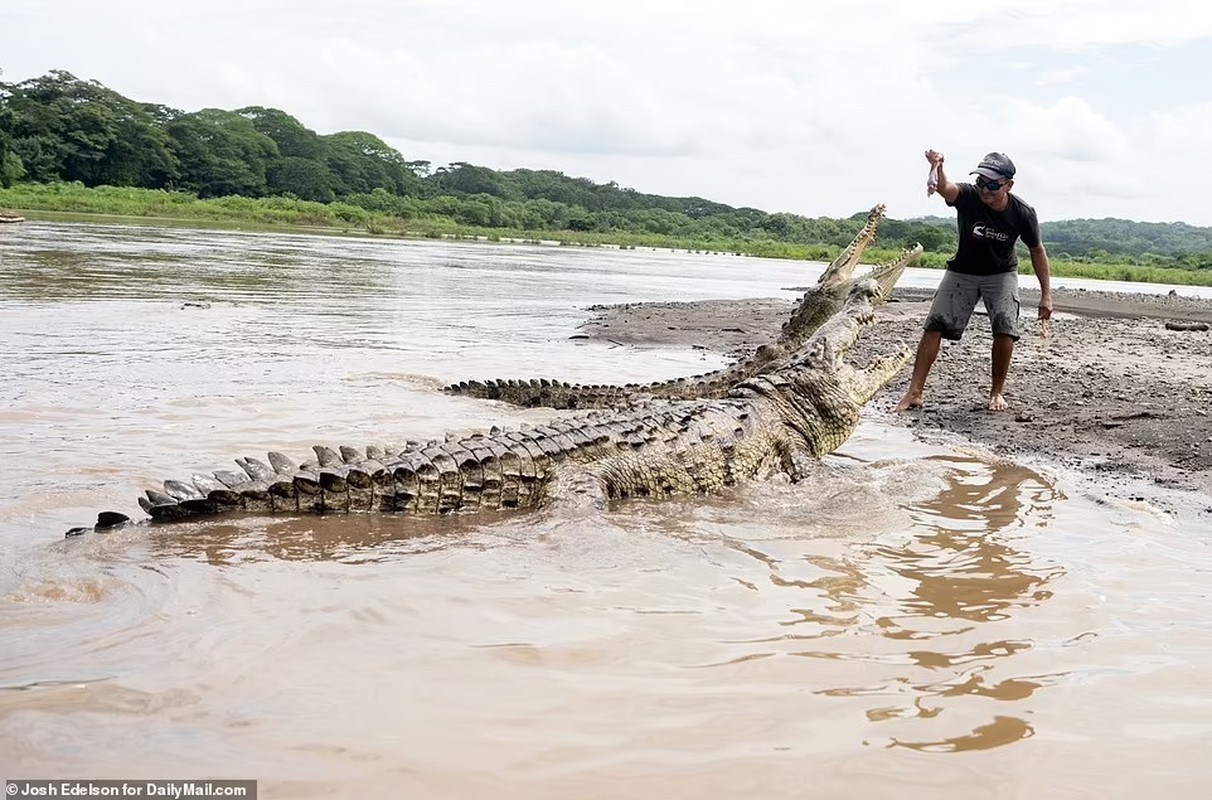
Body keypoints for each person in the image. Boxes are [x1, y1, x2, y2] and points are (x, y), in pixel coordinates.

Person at [895, 149, 1053, 413]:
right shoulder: (969, 196)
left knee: (1005, 327)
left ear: (1008, 185)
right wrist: (939, 166)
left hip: (1000, 274)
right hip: (962, 271)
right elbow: (945, 188)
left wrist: (1046, 294)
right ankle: (915, 392)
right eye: (981, 182)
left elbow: (1037, 251)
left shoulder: (1022, 213)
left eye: (992, 184)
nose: (985, 189)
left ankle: (996, 393)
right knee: (934, 325)